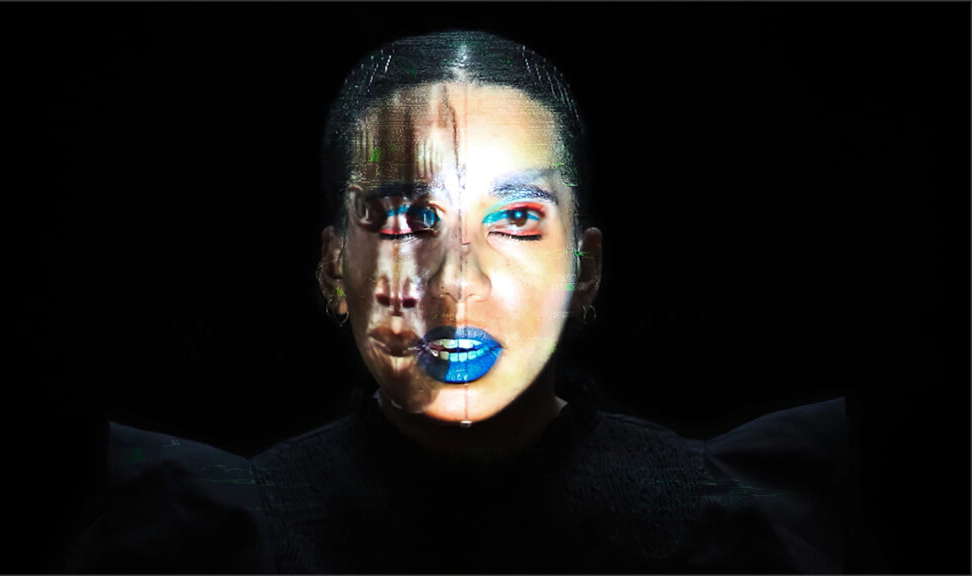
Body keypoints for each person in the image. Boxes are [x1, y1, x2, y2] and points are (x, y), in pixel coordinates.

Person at [64, 30, 853, 573]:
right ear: (334, 270)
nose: (456, 283)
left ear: (586, 269)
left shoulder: (740, 526)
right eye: (409, 218)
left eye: (516, 219)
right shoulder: (212, 537)